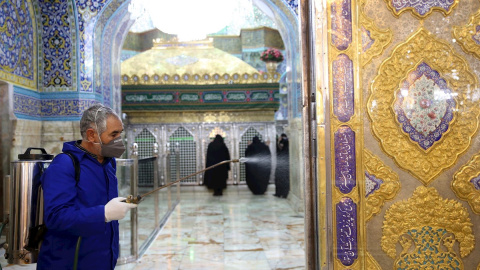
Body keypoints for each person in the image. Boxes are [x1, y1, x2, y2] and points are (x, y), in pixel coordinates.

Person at [37, 104, 137, 270]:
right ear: (91, 135)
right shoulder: (64, 165)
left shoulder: (108, 163)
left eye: (120, 133)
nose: (119, 140)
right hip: (70, 263)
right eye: (114, 134)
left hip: (102, 260)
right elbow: (56, 217)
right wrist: (103, 214)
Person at [274, 133, 289, 198]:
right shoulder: (283, 147)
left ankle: (283, 194)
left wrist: (279, 142)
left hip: (284, 167)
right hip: (280, 166)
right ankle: (279, 193)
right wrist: (278, 142)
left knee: (284, 180)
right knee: (279, 180)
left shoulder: (285, 146)